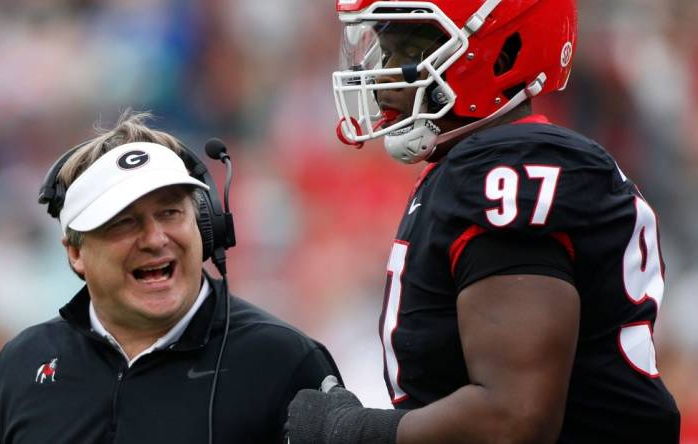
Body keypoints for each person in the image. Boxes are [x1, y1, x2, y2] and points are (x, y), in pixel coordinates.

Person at [286, 0, 681, 443]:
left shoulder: (506, 168)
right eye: (384, 50)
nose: (384, 79)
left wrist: (351, 432)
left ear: (504, 52)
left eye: (411, 51)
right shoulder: (481, 164)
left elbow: (514, 420)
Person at [0, 111, 340, 443]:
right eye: (124, 222)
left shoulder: (282, 359)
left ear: (205, 226)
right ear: (75, 253)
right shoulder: (24, 362)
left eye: (171, 212)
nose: (155, 239)